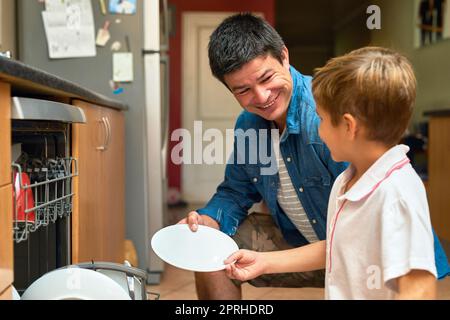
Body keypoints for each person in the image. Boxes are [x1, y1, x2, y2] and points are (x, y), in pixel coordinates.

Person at [177, 13, 449, 300]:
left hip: (363, 256)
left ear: (284, 56)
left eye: (266, 78)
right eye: (243, 90)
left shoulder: (331, 116)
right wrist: (211, 221)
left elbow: (396, 261)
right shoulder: (251, 126)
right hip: (318, 247)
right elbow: (235, 191)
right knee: (210, 246)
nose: (261, 96)